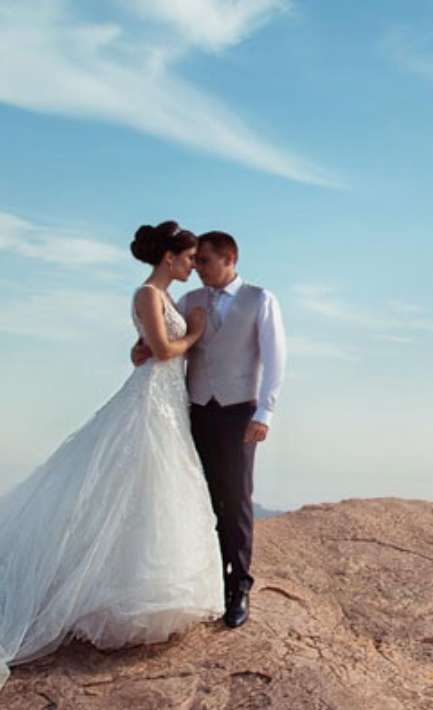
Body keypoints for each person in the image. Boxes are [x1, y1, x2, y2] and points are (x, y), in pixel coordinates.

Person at [0, 222, 224, 695]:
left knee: (154, 488)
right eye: (189, 257)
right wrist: (192, 335)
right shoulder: (149, 294)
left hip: (167, 400)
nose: (193, 265)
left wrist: (155, 346)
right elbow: (163, 349)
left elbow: (142, 353)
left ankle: (138, 588)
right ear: (169, 257)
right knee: (139, 480)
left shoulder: (165, 298)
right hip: (151, 401)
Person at [132, 231, 286, 629]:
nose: (197, 268)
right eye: (195, 261)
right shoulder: (189, 300)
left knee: (235, 500)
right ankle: (208, 583)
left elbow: (275, 361)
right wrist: (141, 347)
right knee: (195, 497)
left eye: (205, 261)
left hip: (238, 412)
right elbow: (158, 342)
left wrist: (264, 414)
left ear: (229, 259)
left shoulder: (260, 299)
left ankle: (239, 587)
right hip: (193, 410)